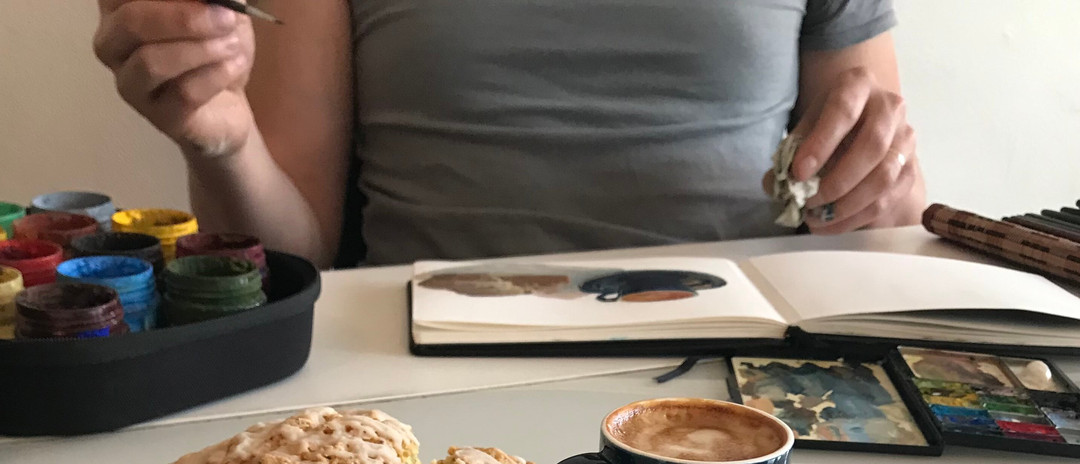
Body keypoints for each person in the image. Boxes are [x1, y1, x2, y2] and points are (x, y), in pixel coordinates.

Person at [93, 0, 925, 268]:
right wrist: (224, 142)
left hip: (745, 370)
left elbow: (883, 213)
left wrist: (886, 192)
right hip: (422, 375)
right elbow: (289, 261)